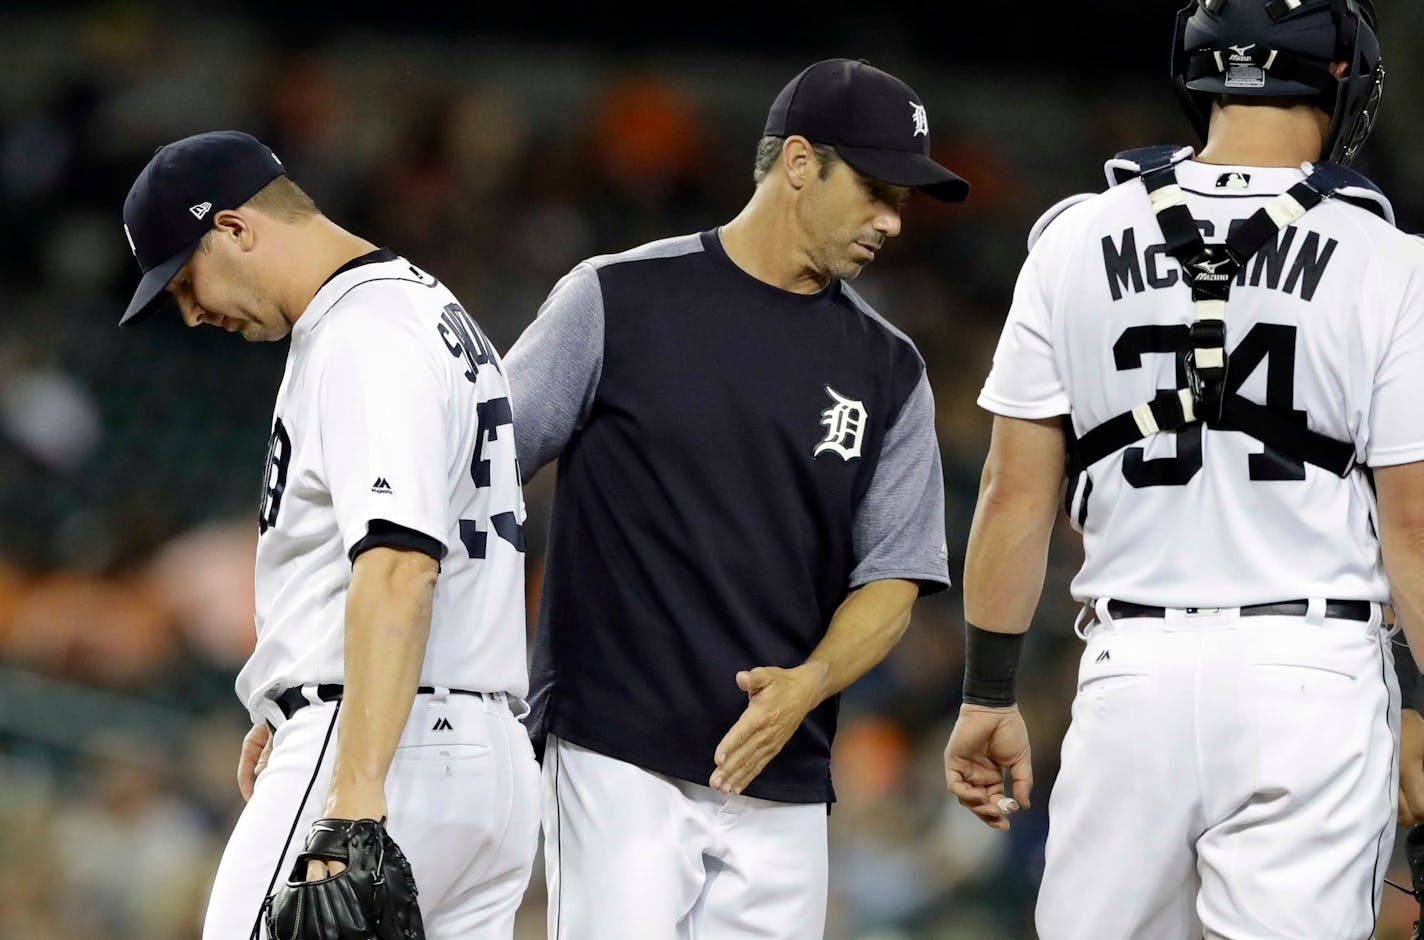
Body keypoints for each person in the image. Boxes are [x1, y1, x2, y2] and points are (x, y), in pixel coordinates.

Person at [942, 1, 1424, 937]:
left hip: (1132, 679)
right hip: (1311, 680)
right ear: (1339, 74)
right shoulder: (1391, 261)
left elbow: (1011, 498)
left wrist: (988, 693)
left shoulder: (1073, 237)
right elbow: (1413, 526)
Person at [504, 58, 964, 939]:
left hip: (781, 769)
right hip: (617, 747)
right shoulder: (617, 297)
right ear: (799, 162)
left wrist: (811, 684)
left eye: (902, 202)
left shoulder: (889, 367)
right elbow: (478, 474)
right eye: (875, 189)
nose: (892, 222)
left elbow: (896, 578)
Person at [119, 131, 539, 939]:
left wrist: (352, 798)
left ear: (236, 229)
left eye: (183, 279)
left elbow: (399, 566)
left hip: (385, 748)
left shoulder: (364, 332)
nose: (193, 311)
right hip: (483, 765)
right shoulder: (428, 309)